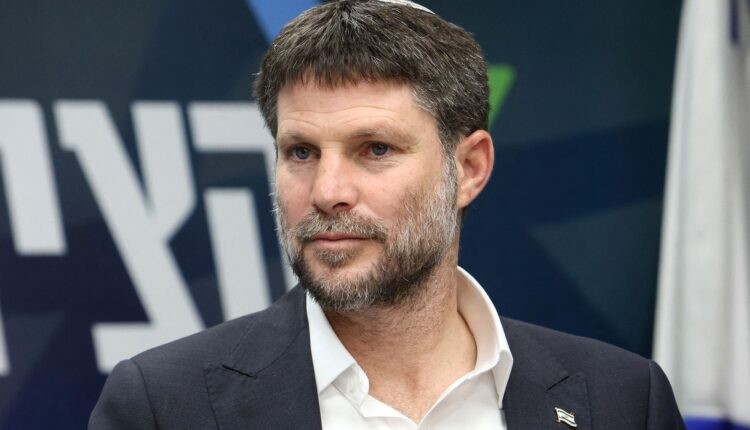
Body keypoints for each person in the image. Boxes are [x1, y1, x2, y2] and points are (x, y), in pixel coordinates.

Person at [89, 1, 686, 428]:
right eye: (301, 152)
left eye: (375, 149)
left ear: (470, 168)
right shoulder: (162, 406)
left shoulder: (622, 401)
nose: (327, 191)